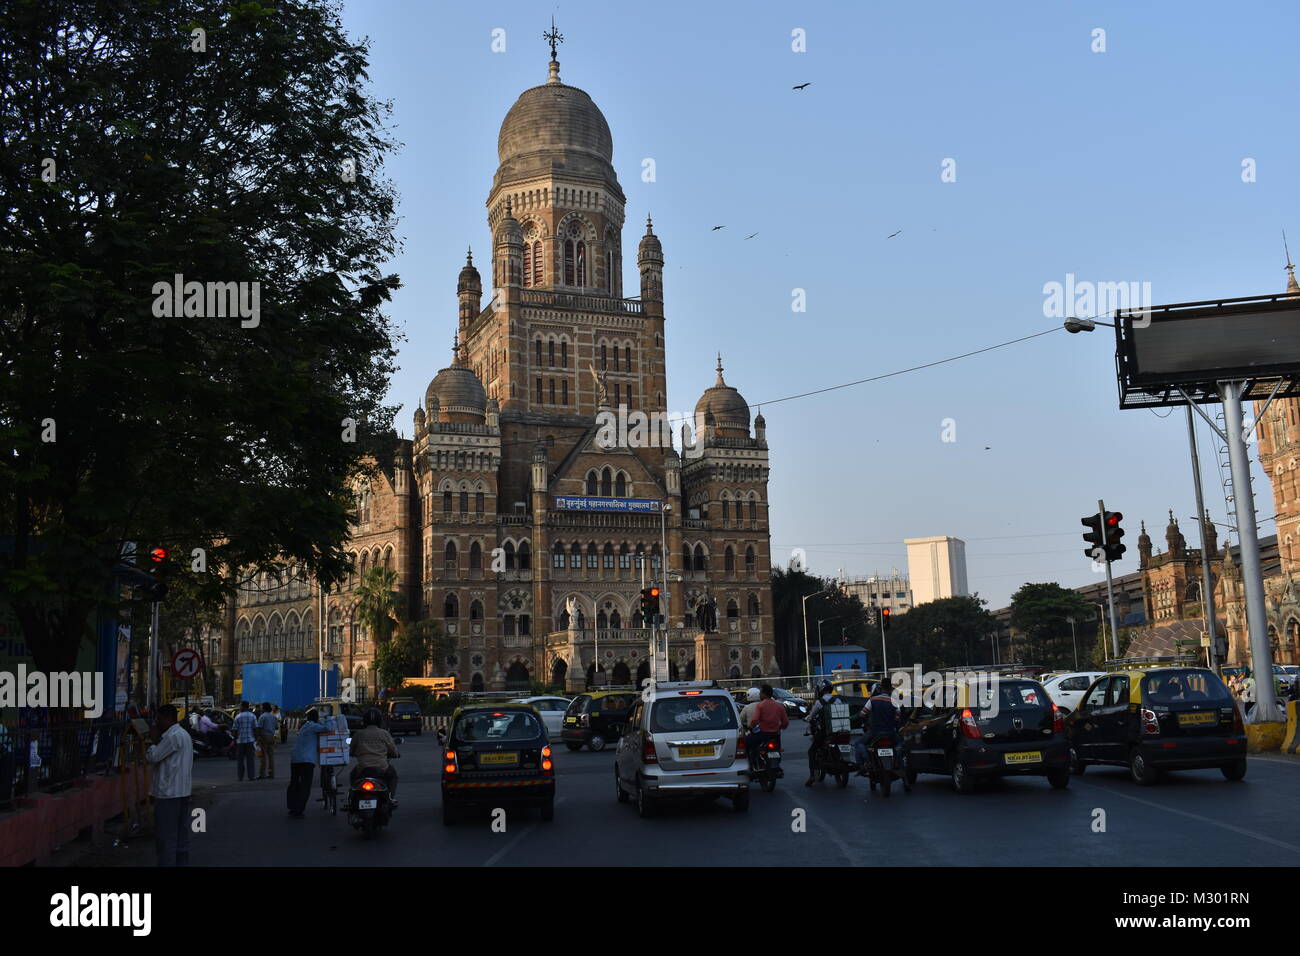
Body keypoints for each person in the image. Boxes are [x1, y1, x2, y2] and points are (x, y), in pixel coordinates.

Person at [145, 704, 194, 866]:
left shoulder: (172, 736)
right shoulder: (183, 734)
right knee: (180, 838)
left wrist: (151, 741)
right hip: (182, 792)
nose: (156, 722)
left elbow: (154, 756)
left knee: (166, 839)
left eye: (158, 719)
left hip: (168, 794)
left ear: (167, 718)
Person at [287, 708, 336, 817]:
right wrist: (329, 718)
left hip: (295, 759)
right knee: (305, 785)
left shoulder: (304, 726)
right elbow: (329, 728)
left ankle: (292, 807)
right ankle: (299, 809)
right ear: (316, 718)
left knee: (294, 783)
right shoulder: (313, 726)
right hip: (306, 760)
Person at [349, 708, 399, 803]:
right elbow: (393, 750)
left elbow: (351, 750)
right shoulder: (384, 733)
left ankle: (352, 799)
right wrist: (396, 754)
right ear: (380, 720)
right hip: (382, 768)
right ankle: (391, 798)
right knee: (393, 775)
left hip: (363, 768)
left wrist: (353, 753)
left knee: (352, 776)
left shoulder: (358, 734)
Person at [853, 681, 903, 775]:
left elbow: (863, 714)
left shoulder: (873, 700)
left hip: (875, 732)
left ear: (881, 688)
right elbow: (897, 718)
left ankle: (865, 763)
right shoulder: (894, 702)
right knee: (900, 743)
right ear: (890, 689)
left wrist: (861, 716)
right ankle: (897, 761)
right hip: (890, 732)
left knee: (858, 743)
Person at [803, 680, 836, 786]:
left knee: (811, 751)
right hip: (838, 731)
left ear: (821, 690)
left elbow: (811, 716)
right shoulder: (838, 700)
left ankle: (812, 775)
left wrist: (807, 718)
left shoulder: (819, 702)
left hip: (825, 732)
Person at [748, 685, 789, 770]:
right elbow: (785, 722)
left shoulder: (760, 706)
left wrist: (751, 727)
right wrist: (780, 727)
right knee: (777, 749)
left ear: (764, 694)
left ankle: (752, 764)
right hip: (775, 734)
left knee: (749, 744)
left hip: (763, 734)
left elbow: (755, 720)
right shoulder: (779, 706)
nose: (759, 695)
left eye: (760, 693)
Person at [230, 701, 257, 781]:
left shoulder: (238, 717)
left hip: (240, 741)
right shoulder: (253, 716)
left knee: (240, 760)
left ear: (244, 707)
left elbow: (234, 730)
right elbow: (255, 729)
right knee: (250, 760)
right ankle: (251, 776)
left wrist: (234, 740)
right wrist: (256, 739)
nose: (239, 708)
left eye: (240, 706)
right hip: (250, 740)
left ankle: (240, 777)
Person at [256, 703, 279, 779]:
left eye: (262, 707)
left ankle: (262, 774)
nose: (261, 708)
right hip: (271, 737)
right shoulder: (273, 716)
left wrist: (258, 737)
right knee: (271, 756)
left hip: (264, 737)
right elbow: (276, 727)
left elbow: (259, 728)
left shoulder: (262, 716)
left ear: (264, 708)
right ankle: (271, 773)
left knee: (263, 756)